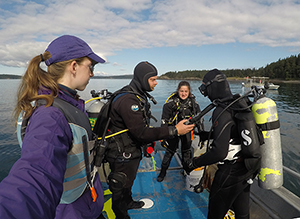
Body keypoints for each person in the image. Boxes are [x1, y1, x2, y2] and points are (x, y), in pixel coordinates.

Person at [0, 35, 106, 219]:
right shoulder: (50, 115)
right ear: (73, 66)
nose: (92, 73)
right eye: (91, 66)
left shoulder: (62, 103)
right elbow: (35, 176)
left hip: (85, 205)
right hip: (72, 212)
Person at [103, 61, 194, 219]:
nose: (156, 83)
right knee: (120, 187)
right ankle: (122, 215)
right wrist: (174, 130)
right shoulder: (128, 101)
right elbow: (141, 133)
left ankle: (129, 202)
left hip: (130, 150)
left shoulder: (137, 95)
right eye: (153, 79)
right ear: (143, 79)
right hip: (121, 154)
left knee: (128, 183)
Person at [183, 69, 259, 219]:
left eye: (205, 89)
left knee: (214, 215)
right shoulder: (239, 102)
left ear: (212, 87)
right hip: (247, 168)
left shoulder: (221, 110)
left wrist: (193, 163)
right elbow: (233, 134)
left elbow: (219, 152)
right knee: (242, 213)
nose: (206, 93)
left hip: (229, 172)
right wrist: (205, 135)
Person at [157, 81, 203, 182]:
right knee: (169, 152)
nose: (183, 93)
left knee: (186, 152)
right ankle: (163, 172)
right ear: (178, 91)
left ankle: (186, 171)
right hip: (174, 130)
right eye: (181, 91)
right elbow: (164, 120)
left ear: (189, 91)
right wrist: (163, 136)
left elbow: (200, 119)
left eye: (186, 91)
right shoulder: (171, 103)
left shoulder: (193, 103)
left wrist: (202, 133)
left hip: (187, 131)